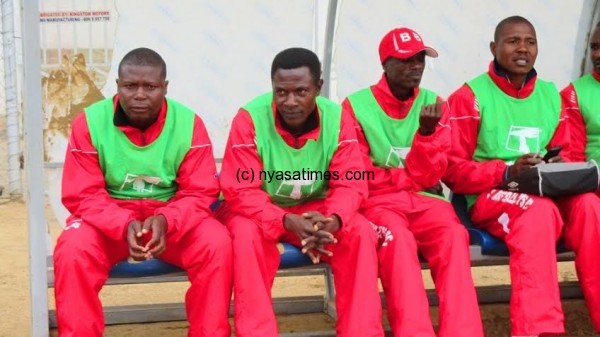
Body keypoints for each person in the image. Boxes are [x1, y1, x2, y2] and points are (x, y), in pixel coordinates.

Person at [53, 47, 232, 337]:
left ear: (165, 88)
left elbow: (200, 192)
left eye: (150, 86)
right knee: (73, 249)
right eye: (130, 86)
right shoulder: (89, 122)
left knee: (217, 243)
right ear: (117, 87)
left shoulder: (188, 123)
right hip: (109, 221)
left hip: (168, 219)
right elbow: (83, 194)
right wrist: (121, 223)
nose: (139, 94)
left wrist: (166, 220)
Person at [444, 15, 600, 336]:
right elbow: (452, 170)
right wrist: (506, 171)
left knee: (589, 206)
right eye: (513, 41)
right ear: (494, 47)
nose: (523, 49)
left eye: (530, 42)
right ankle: (540, 331)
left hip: (544, 189)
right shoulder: (469, 96)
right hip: (492, 193)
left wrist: (555, 167)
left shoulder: (549, 95)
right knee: (537, 213)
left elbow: (566, 152)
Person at [215, 47, 384, 337]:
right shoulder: (249, 118)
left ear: (318, 87)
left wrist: (333, 219)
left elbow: (351, 180)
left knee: (359, 232)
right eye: (281, 92)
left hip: (316, 210)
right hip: (258, 210)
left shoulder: (337, 117)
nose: (290, 102)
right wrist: (284, 220)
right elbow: (241, 190)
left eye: (301, 91)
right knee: (244, 236)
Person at [342, 27, 484, 337]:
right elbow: (358, 174)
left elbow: (435, 173)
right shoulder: (354, 106)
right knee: (399, 243)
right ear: (385, 64)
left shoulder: (435, 104)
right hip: (379, 204)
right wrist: (409, 178)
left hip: (427, 202)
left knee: (454, 236)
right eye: (406, 60)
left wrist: (426, 134)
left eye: (420, 59)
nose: (416, 66)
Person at [559, 21, 600, 333]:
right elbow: (572, 162)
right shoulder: (574, 95)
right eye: (595, 47)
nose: (598, 54)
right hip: (592, 190)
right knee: (588, 207)